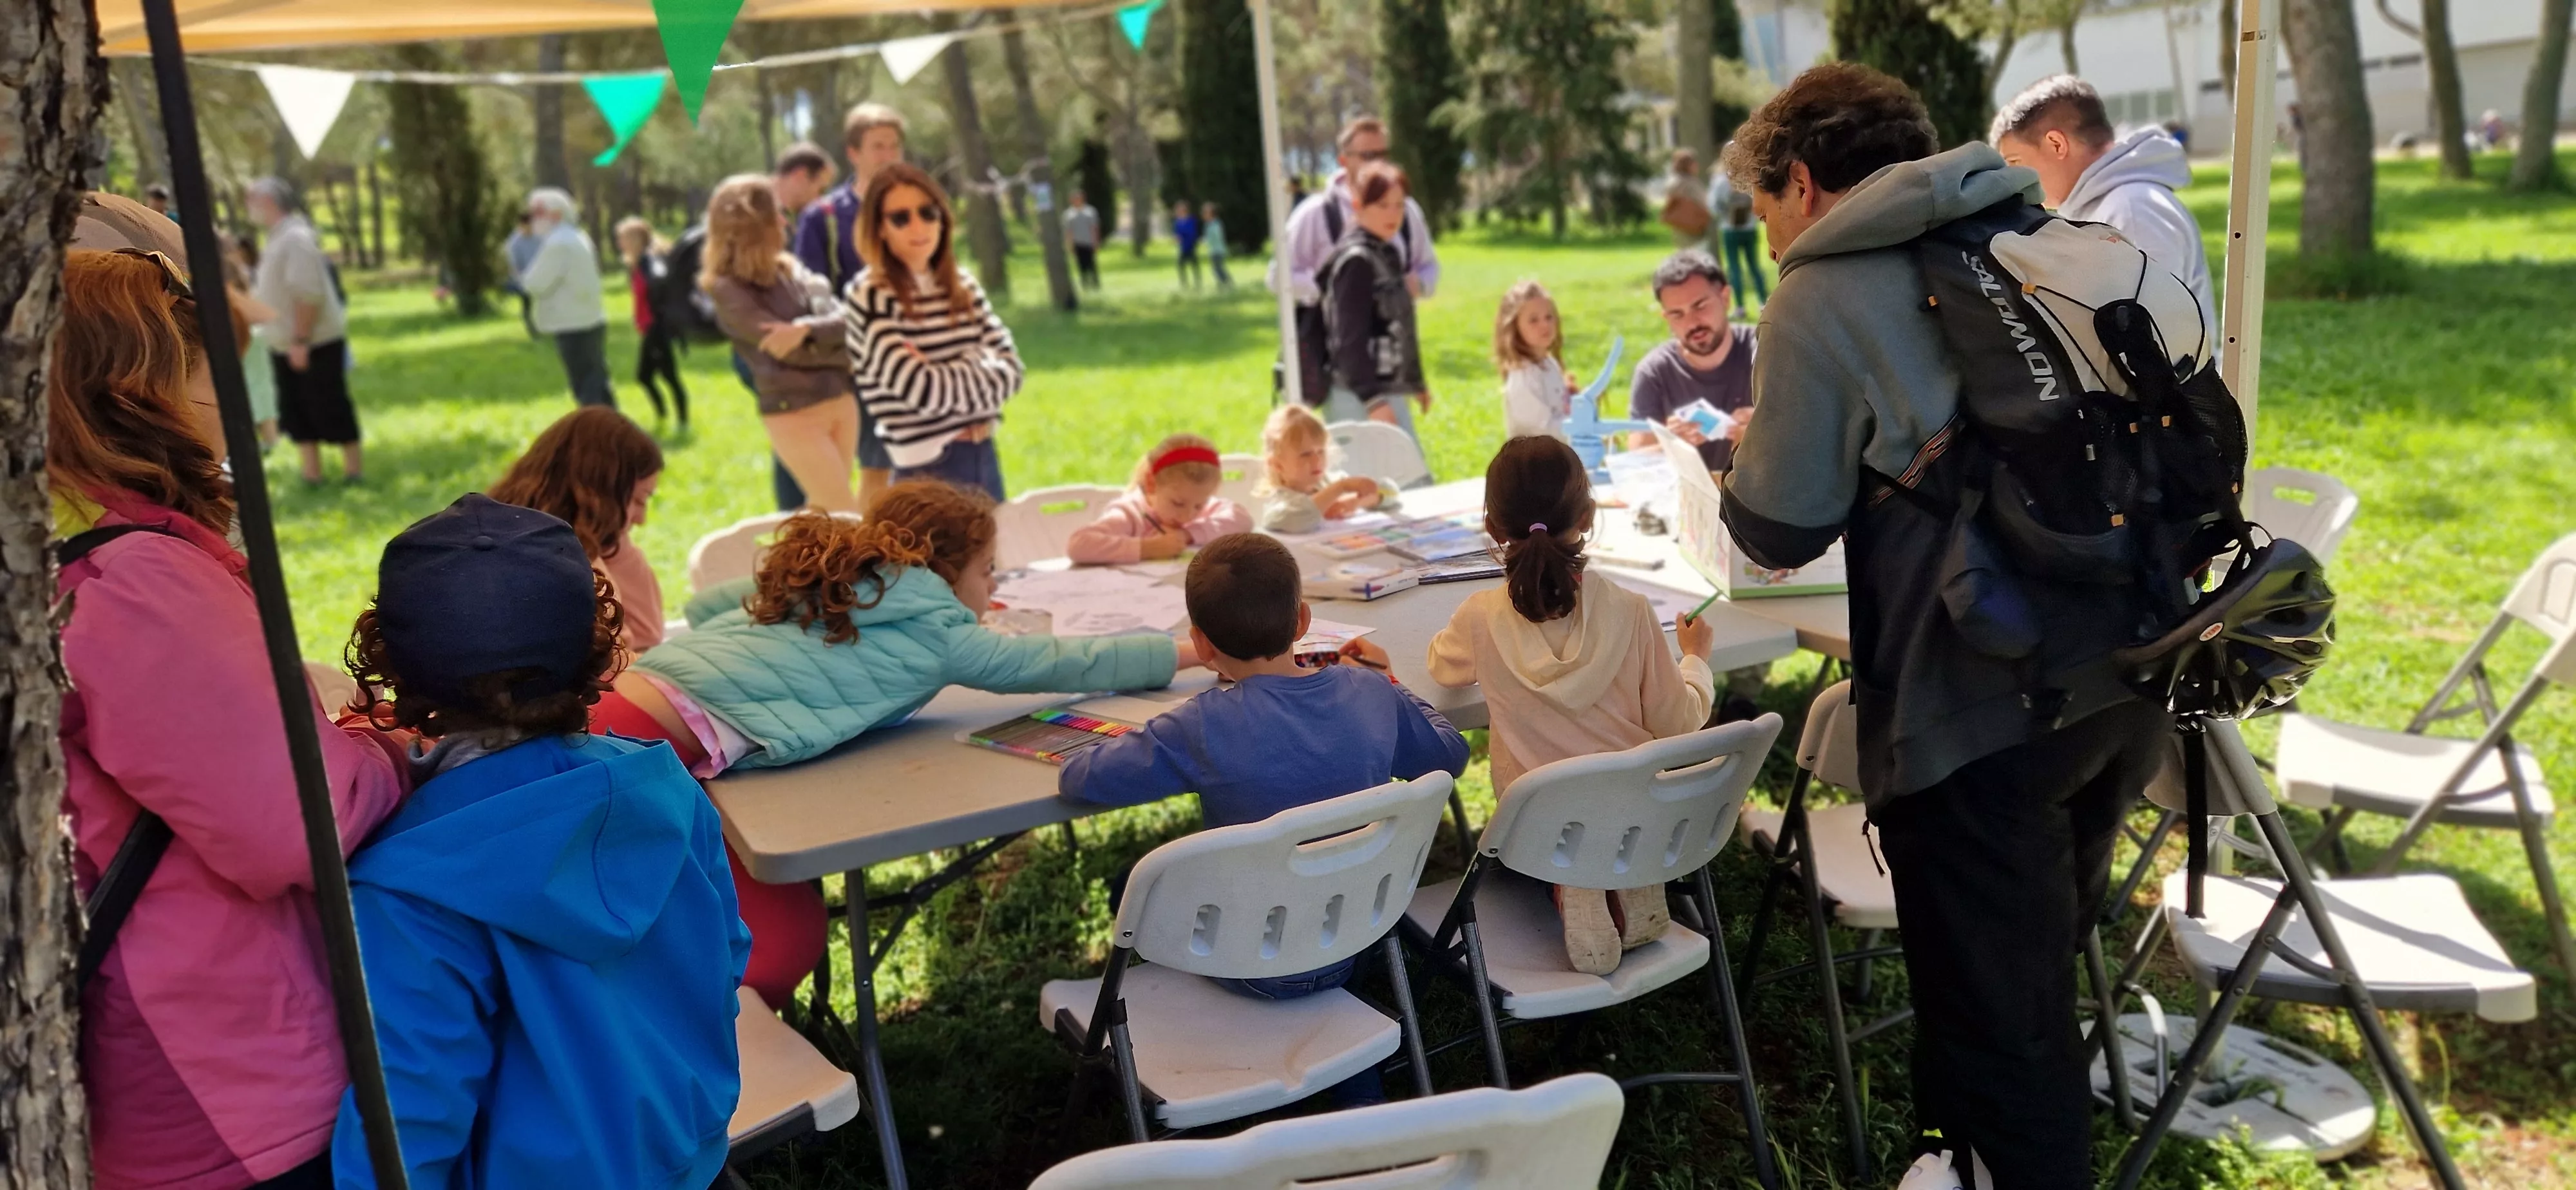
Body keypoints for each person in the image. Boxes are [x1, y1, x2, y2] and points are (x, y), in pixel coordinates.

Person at [1717, 63, 2175, 1187]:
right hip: (2126, 656)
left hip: (1978, 696)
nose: (1771, 236)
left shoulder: (1821, 291)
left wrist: (1738, 460)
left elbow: (1778, 529)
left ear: (1807, 182)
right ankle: (1956, 1158)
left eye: (1768, 209)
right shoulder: (2031, 223)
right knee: (2022, 969)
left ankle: (2000, 1159)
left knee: (2004, 1022)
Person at [52, 249, 408, 1190]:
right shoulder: (134, 580)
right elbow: (294, 823)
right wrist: (382, 752)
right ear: (139, 388)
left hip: (191, 1071)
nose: (241, 405)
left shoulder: (83, 554)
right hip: (228, 1089)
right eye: (217, 374)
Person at [594, 484, 1195, 1005]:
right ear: (949, 572)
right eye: (987, 571)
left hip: (619, 705)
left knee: (764, 926)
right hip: (640, 751)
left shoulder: (839, 583)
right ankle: (725, 1056)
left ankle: (715, 1044)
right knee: (776, 944)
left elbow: (704, 605)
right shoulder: (940, 631)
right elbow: (1066, 662)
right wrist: (1185, 652)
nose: (992, 585)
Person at [331, 494, 746, 1187]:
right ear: (594, 642)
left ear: (394, 667)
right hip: (685, 1152)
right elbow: (725, 955)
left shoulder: (408, 881)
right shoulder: (663, 784)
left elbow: (410, 1109)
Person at [1061, 531, 1470, 1008]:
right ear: (1302, 621)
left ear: (1201, 644)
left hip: (1245, 958)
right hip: (1357, 934)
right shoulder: (1370, 693)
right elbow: (1450, 756)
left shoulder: (1199, 725)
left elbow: (1081, 778)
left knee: (1127, 886)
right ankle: (1354, 1064)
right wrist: (1391, 682)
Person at [1426, 436, 1718, 976]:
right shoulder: (1631, 611)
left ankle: (1572, 881)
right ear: (1586, 517)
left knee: (1560, 812)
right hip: (1635, 807)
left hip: (1539, 821)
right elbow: (1679, 721)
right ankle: (1627, 876)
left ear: (1492, 529)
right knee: (1617, 799)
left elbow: (1444, 669)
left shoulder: (1481, 616)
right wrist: (1695, 659)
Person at [846, 162, 1023, 501]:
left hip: (984, 455)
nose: (919, 226)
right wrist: (979, 362)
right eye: (901, 217)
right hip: (925, 468)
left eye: (928, 213)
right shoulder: (870, 295)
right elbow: (921, 390)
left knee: (996, 556)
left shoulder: (964, 285)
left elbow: (1012, 372)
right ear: (880, 229)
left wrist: (946, 373)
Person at [1991, 74, 2213, 332]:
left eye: (2015, 161)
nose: (2014, 179)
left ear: (2056, 144)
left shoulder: (2132, 210)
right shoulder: (2114, 206)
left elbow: (2153, 331)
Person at [703, 175, 863, 513]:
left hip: (840, 402)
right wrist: (836, 348)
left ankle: (797, 567)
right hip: (794, 414)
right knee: (844, 512)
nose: (783, 220)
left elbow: (851, 322)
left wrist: (804, 330)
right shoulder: (727, 289)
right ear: (752, 226)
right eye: (775, 213)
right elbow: (780, 348)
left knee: (823, 515)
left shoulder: (792, 271)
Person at [1273, 116, 1442, 404]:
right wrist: (1331, 290)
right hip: (1341, 368)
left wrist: (1417, 286)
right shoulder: (1314, 212)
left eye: (1383, 154)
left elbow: (1429, 266)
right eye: (1367, 155)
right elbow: (1278, 277)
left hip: (1391, 365)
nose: (1377, 161)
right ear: (1343, 160)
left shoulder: (1405, 209)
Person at [795, 103, 911, 511]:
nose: (889, 155)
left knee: (915, 468)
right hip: (854, 363)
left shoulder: (913, 208)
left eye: (894, 145)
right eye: (878, 146)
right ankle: (858, 561)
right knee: (870, 468)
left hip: (916, 354)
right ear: (853, 153)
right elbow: (807, 295)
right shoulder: (823, 217)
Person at [488, 406, 668, 654]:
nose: (641, 519)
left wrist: (613, 538)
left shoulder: (500, 527)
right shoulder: (576, 564)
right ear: (602, 495)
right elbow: (641, 640)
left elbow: (646, 636)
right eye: (638, 500)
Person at [247, 176, 363, 484]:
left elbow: (308, 293)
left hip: (311, 342)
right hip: (287, 343)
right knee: (297, 411)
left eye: (252, 201)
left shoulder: (295, 238)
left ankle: (353, 471)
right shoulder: (278, 238)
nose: (249, 209)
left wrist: (301, 339)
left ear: (269, 203)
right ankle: (313, 474)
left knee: (330, 404)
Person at [1319, 161, 1431, 438]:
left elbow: (1398, 325)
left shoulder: (1386, 252)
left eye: (1399, 205)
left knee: (1408, 478)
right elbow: (1348, 340)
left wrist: (1415, 382)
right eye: (1382, 205)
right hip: (1358, 396)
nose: (1393, 214)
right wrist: (1373, 401)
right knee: (1408, 479)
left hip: (1383, 391)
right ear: (1358, 206)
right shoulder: (1357, 261)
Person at [1623, 250, 1754, 475]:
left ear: (1725, 298)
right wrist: (1670, 447)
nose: (1692, 323)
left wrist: (1768, 431)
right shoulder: (1654, 372)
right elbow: (1635, 462)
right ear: (1666, 318)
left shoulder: (1765, 352)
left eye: (1700, 306)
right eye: (1677, 314)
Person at [1065, 433, 1252, 565]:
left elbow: (1242, 519)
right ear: (1151, 484)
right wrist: (1148, 548)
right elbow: (1078, 544)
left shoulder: (1194, 503)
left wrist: (1187, 534)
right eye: (1178, 504)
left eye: (1199, 505)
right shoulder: (1131, 513)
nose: (1188, 515)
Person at [519, 187, 615, 410]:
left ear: (555, 215)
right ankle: (616, 434)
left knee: (586, 389)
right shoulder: (577, 237)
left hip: (571, 324)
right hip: (591, 319)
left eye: (537, 214)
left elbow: (535, 283)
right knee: (599, 383)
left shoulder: (557, 244)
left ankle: (596, 437)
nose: (533, 221)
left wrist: (521, 278)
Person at [1256, 403, 1399, 534]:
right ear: (1278, 465)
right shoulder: (1279, 502)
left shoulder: (1329, 481)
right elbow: (1300, 518)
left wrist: (1359, 502)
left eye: (1321, 451)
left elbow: (1391, 490)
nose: (1316, 460)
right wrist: (1341, 488)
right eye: (1305, 455)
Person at [615, 216, 689, 428]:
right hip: (650, 328)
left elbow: (659, 283)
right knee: (649, 376)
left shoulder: (650, 261)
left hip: (657, 328)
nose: (620, 244)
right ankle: (665, 417)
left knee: (663, 376)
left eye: (623, 239)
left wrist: (656, 320)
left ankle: (679, 420)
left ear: (635, 239)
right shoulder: (640, 262)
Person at [1494, 279, 1573, 441]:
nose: (1544, 325)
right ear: (1514, 327)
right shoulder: (1523, 376)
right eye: (1533, 320)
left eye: (1549, 317)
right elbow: (1544, 430)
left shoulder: (1549, 364)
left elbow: (1560, 411)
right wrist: (1582, 427)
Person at [1705, 144, 1769, 317]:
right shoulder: (1752, 178)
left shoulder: (1720, 182)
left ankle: (1740, 307)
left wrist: (1727, 211)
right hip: (1749, 228)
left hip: (1730, 229)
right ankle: (1764, 302)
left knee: (1735, 268)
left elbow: (1713, 206)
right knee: (1754, 266)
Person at [1660, 147, 1714, 248]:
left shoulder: (1674, 181)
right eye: (1694, 163)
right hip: (1693, 226)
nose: (1697, 166)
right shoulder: (1689, 183)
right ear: (1687, 165)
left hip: (1681, 227)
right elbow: (1704, 202)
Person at [772, 140, 838, 216]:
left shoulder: (780, 214)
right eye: (821, 191)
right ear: (800, 176)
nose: (821, 201)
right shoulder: (758, 213)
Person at [502, 214, 541, 337]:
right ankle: (533, 329)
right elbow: (514, 267)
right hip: (523, 277)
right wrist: (522, 279)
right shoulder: (514, 243)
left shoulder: (539, 238)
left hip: (541, 275)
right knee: (528, 303)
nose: (529, 230)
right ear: (521, 226)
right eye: (526, 227)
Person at [1063, 189, 1103, 290]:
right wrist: (1069, 244)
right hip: (1077, 243)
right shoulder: (1069, 214)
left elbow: (1094, 228)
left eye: (1079, 198)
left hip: (1089, 242)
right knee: (1081, 265)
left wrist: (1096, 242)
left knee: (1092, 265)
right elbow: (1069, 231)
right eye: (1075, 198)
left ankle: (1095, 285)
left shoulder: (1090, 211)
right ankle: (1085, 285)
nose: (1077, 200)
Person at [1172, 200, 1204, 289]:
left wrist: (1183, 237)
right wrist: (1177, 238)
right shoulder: (1178, 222)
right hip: (1182, 248)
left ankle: (1198, 283)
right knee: (1181, 266)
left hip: (1191, 246)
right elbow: (1176, 233)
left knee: (1194, 265)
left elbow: (1193, 233)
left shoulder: (1191, 220)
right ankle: (1184, 284)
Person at [1202, 202, 1233, 289]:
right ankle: (1222, 283)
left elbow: (1218, 236)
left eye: (1206, 213)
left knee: (1219, 268)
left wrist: (1208, 240)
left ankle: (1227, 282)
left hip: (1219, 250)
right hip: (1212, 250)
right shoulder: (1208, 225)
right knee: (1215, 269)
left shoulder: (1217, 224)